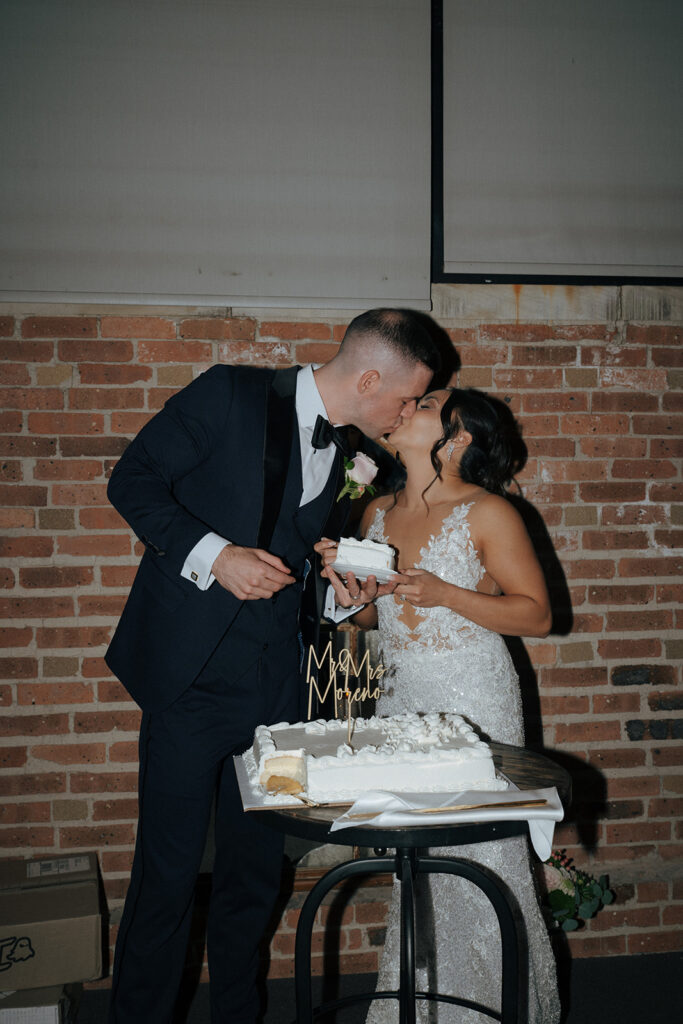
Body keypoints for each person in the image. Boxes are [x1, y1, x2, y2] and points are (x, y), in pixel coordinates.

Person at [104, 308, 439, 1024]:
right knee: (165, 881)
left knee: (254, 878)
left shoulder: (359, 458)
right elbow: (131, 482)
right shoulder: (227, 393)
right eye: (407, 398)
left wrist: (343, 598)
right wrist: (214, 556)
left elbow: (302, 572)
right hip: (190, 684)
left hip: (277, 694)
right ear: (371, 377)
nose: (408, 411)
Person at [317, 387, 561, 1024]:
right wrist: (345, 595)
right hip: (400, 699)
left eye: (423, 404)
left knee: (484, 861)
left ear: (457, 439)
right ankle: (420, 1008)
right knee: (415, 867)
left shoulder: (488, 512)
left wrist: (449, 594)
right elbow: (370, 617)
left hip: (474, 698)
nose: (405, 408)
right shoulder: (375, 512)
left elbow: (536, 615)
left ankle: (496, 1009)